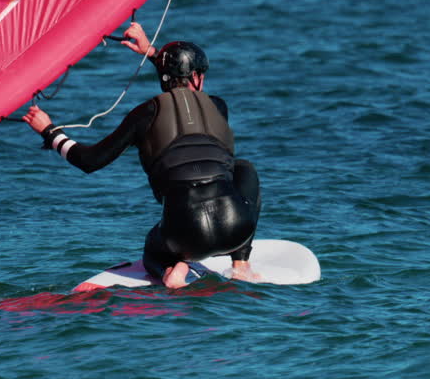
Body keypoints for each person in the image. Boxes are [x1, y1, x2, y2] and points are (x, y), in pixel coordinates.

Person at [22, 22, 261, 289]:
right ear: (196, 77)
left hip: (186, 235)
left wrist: (50, 132)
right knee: (244, 168)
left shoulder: (143, 115)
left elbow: (89, 161)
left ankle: (173, 272)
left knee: (153, 249)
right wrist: (151, 53)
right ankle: (241, 264)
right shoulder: (219, 107)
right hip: (236, 228)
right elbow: (183, 96)